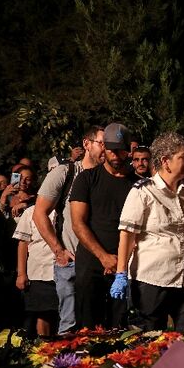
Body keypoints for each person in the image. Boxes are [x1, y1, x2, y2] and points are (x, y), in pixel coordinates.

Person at [111, 132, 184, 332]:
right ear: (166, 161)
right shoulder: (143, 192)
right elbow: (127, 235)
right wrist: (121, 273)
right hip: (153, 280)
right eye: (183, 158)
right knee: (151, 343)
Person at [34, 125, 105, 333]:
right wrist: (59, 251)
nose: (105, 149)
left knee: (98, 326)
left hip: (100, 263)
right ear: (87, 144)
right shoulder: (65, 172)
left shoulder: (108, 176)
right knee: (69, 325)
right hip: (71, 261)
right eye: (101, 143)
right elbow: (40, 213)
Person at [70, 122, 140, 329]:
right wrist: (103, 257)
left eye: (120, 150)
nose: (115, 155)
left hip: (125, 268)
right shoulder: (86, 179)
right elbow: (78, 223)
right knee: (88, 330)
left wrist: (121, 264)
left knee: (121, 330)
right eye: (111, 149)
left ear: (128, 150)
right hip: (91, 266)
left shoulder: (138, 185)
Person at [13, 204, 57, 336]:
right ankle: (44, 351)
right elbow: (22, 243)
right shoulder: (30, 212)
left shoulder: (68, 210)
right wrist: (21, 273)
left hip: (66, 270)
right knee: (43, 314)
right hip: (39, 271)